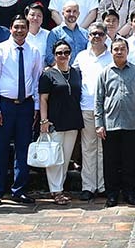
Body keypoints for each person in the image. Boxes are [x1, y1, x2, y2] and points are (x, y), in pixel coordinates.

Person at [0, 14, 43, 205]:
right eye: (16, 27)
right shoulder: (0, 50)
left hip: (26, 105)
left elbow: (36, 80)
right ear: (10, 28)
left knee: (23, 149)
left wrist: (36, 107)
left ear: (28, 29)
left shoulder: (34, 51)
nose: (20, 31)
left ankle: (19, 190)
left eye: (23, 27)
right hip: (4, 105)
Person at [96, 37, 135, 207]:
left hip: (131, 124)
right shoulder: (105, 73)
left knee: (129, 162)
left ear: (127, 51)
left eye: (122, 49)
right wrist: (99, 123)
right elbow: (99, 100)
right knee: (110, 162)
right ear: (111, 52)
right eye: (116, 49)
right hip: (110, 125)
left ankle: (129, 193)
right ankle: (112, 195)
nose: (119, 52)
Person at [38, 39, 83, 204]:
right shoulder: (48, 74)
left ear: (70, 54)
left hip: (72, 120)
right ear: (54, 55)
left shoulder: (77, 72)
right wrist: (44, 121)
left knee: (65, 158)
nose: (63, 55)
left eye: (66, 52)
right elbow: (43, 99)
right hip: (54, 122)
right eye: (59, 53)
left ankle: (60, 188)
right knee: (54, 159)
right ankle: (55, 190)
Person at [73, 22, 113, 200]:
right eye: (92, 34)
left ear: (106, 36)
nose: (96, 37)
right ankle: (88, 186)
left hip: (108, 109)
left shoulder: (112, 57)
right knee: (88, 147)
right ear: (88, 36)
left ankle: (103, 185)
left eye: (99, 33)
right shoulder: (81, 56)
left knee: (104, 148)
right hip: (86, 107)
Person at [47, 2, 89, 66]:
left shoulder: (85, 33)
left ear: (78, 14)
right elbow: (50, 57)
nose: (72, 14)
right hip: (62, 73)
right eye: (68, 11)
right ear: (63, 13)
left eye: (74, 11)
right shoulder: (55, 33)